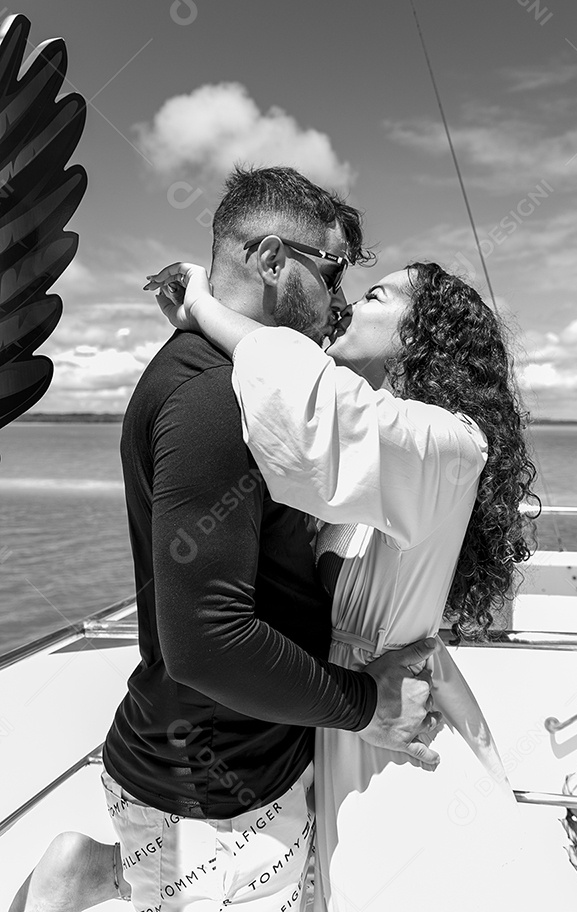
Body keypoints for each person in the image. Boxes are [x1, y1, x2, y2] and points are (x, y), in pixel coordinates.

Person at [8, 166, 440, 912]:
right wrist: (368, 706)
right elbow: (206, 642)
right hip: (208, 796)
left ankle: (95, 872)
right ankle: (101, 871)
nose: (338, 300)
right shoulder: (211, 397)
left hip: (252, 759)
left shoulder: (242, 380)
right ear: (273, 261)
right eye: (333, 271)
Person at [139, 254, 541, 910]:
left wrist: (206, 308)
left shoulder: (450, 442)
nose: (351, 304)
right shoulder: (375, 452)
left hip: (390, 723)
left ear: (422, 335)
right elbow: (298, 418)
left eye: (378, 296)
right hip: (343, 705)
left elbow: (314, 393)